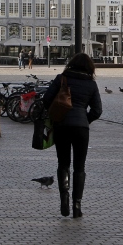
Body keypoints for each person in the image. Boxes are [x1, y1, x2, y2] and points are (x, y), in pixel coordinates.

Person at [42, 53, 102, 219]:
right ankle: (77, 205)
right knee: (80, 167)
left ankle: (64, 199)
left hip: (61, 126)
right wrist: (84, 120)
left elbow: (46, 100)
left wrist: (57, 114)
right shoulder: (91, 84)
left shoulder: (62, 78)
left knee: (63, 164)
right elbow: (97, 111)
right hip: (81, 129)